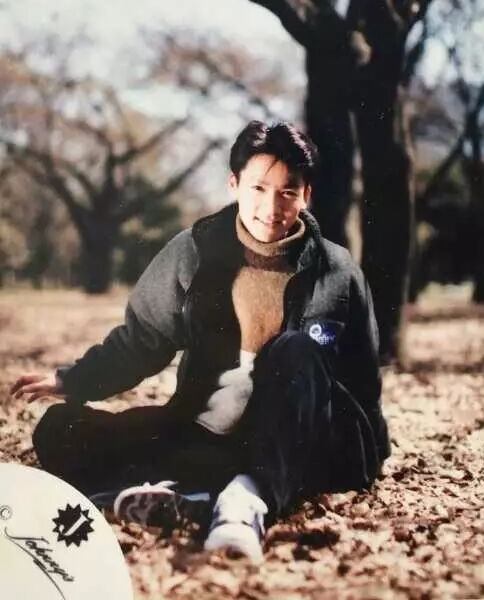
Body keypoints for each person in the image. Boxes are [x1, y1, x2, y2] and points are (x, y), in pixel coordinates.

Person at [11, 120, 390, 562]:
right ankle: (196, 494)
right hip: (212, 436)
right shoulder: (193, 252)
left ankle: (241, 502)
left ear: (306, 195)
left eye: (288, 192)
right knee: (60, 430)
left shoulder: (337, 271)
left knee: (296, 349)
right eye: (258, 188)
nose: (271, 206)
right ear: (234, 185)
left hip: (299, 444)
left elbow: (363, 378)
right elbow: (142, 339)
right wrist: (73, 379)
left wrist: (370, 455)